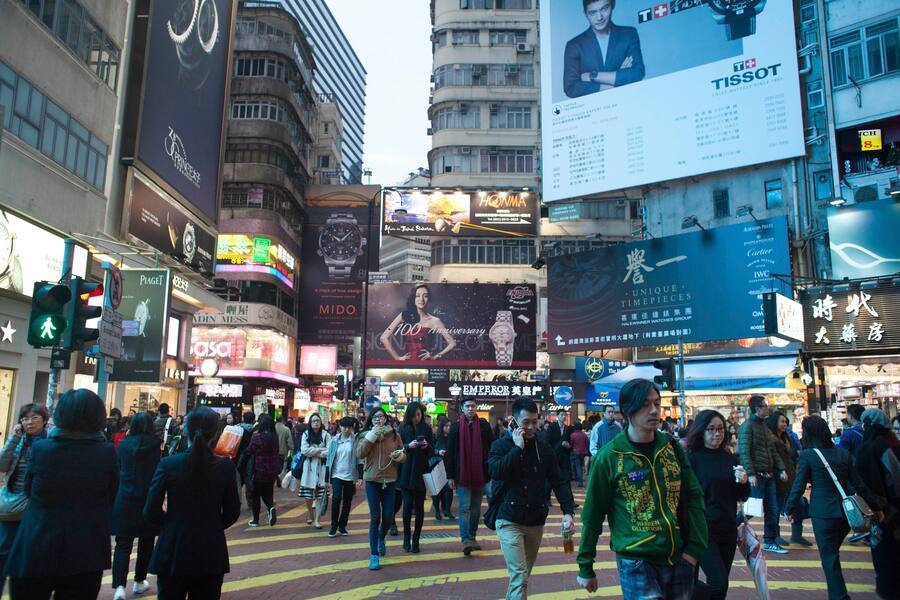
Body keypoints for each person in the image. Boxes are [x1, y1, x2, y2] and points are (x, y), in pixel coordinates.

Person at [577, 379, 707, 598]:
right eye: (645, 404)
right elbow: (593, 515)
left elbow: (694, 496)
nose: (654, 410)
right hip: (636, 561)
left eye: (656, 403)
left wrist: (694, 550)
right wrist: (585, 565)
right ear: (628, 410)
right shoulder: (609, 457)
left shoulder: (671, 447)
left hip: (679, 558)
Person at [6, 390, 117, 598]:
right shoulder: (107, 453)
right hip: (86, 549)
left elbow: (29, 490)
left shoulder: (41, 449)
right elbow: (111, 496)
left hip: (37, 543)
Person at [144, 406, 241, 599]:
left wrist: (169, 524)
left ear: (185, 430)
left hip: (173, 548)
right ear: (216, 433)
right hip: (210, 551)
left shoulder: (169, 464)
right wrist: (213, 525)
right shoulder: (225, 467)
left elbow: (150, 510)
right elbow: (232, 511)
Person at [490, 397, 576, 600]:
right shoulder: (501, 446)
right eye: (525, 422)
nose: (530, 427)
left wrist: (568, 512)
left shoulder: (544, 448)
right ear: (514, 422)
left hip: (535, 520)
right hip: (508, 518)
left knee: (522, 576)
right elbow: (496, 472)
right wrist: (516, 448)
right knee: (519, 576)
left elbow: (559, 481)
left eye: (534, 422)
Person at [785, 415, 878, 600]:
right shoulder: (842, 454)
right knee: (831, 554)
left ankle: (840, 596)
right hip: (846, 515)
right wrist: (876, 507)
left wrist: (789, 508)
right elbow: (859, 485)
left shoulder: (808, 455)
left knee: (829, 557)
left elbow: (799, 485)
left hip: (823, 514)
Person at [686, 410, 750, 600]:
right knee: (718, 582)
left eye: (720, 429)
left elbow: (742, 496)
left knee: (721, 583)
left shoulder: (731, 459)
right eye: (711, 429)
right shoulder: (692, 459)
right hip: (702, 529)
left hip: (728, 528)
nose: (717, 434)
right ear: (701, 431)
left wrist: (744, 482)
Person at [111, 412, 161, 600]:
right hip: (148, 498)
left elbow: (118, 469)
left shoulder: (124, 444)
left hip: (125, 497)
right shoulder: (155, 445)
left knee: (123, 545)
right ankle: (139, 582)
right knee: (146, 543)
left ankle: (119, 588)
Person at [0, 403, 48, 596]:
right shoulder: (19, 440)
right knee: (3, 553)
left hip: (34, 507)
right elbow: (2, 465)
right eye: (25, 418)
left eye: (34, 418)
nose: (29, 422)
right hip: (11, 504)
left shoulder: (48, 442)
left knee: (27, 557)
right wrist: (14, 437)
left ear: (44, 420)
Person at [856, 408, 900, 599]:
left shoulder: (871, 446)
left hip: (881, 511)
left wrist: (876, 507)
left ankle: (888, 590)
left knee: (884, 554)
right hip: (895, 508)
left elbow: (865, 481)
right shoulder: (893, 442)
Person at [738, 395, 789, 554]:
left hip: (769, 474)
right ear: (757, 408)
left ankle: (770, 540)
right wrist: (751, 473)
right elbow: (744, 452)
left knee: (772, 509)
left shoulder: (764, 427)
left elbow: (772, 451)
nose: (768, 408)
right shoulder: (748, 426)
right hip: (758, 475)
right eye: (765, 406)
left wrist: (781, 468)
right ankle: (730, 524)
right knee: (753, 509)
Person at [356, 407, 406, 570]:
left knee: (388, 516)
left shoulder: (394, 435)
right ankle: (374, 555)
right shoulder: (365, 435)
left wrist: (400, 456)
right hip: (372, 480)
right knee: (375, 517)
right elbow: (360, 454)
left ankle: (380, 538)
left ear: (386, 419)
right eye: (375, 417)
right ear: (371, 420)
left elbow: (402, 453)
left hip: (390, 480)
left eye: (382, 417)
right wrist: (371, 436)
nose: (379, 419)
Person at [564, 0, 644, 99]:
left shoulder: (629, 34)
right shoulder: (574, 45)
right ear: (585, 14)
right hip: (594, 109)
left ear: (613, 5)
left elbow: (638, 73)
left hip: (626, 100)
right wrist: (616, 82)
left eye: (604, 8)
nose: (599, 17)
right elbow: (571, 88)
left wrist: (592, 76)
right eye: (592, 13)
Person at [444, 396, 494, 556]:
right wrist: (450, 476)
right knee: (465, 508)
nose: (471, 409)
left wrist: (492, 471)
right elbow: (450, 453)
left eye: (473, 406)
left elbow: (492, 449)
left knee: (476, 508)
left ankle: (472, 536)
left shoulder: (484, 426)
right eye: (467, 406)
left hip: (480, 473)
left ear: (476, 407)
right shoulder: (456, 427)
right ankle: (465, 539)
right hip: (462, 474)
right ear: (462, 409)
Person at [767, 411, 812, 547]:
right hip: (778, 479)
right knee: (776, 507)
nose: (784, 424)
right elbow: (771, 460)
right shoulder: (770, 439)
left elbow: (795, 454)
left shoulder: (789, 437)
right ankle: (775, 535)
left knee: (799, 504)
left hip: (792, 477)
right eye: (782, 421)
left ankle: (797, 535)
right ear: (775, 422)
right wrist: (779, 471)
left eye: (786, 422)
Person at [378, 284, 457, 362]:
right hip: (408, 364)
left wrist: (435, 357)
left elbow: (452, 343)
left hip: (426, 363)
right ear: (413, 298)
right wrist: (397, 358)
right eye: (418, 296)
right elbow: (383, 338)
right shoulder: (404, 316)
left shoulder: (435, 321)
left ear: (428, 298)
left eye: (425, 296)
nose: (421, 299)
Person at [397, 402, 434, 553]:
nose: (418, 418)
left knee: (419, 508)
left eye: (420, 415)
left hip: (420, 471)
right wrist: (408, 446)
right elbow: (397, 450)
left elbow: (432, 449)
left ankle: (416, 539)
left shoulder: (426, 429)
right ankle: (406, 538)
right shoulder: (402, 429)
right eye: (415, 415)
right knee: (406, 507)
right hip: (406, 472)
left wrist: (427, 446)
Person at [240, 414, 280, 527]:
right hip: (272, 470)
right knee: (268, 492)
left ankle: (256, 520)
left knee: (256, 494)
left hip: (259, 470)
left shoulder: (257, 437)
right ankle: (270, 508)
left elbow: (249, 451)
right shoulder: (274, 437)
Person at [325, 416, 360, 537]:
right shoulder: (334, 441)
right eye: (344, 427)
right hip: (336, 474)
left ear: (352, 428)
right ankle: (334, 525)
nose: (346, 429)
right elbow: (329, 458)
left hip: (350, 475)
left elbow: (359, 459)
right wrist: (326, 477)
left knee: (347, 501)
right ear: (340, 427)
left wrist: (359, 476)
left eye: (349, 427)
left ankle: (342, 526)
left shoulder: (355, 440)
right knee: (336, 498)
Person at [299, 413, 331, 528]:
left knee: (320, 495)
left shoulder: (326, 435)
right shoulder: (306, 434)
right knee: (308, 495)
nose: (316, 423)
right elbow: (304, 450)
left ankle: (317, 520)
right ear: (310, 423)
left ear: (321, 422)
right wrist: (320, 450)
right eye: (313, 421)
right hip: (309, 468)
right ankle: (310, 514)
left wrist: (315, 451)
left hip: (322, 468)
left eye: (317, 420)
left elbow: (329, 451)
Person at [432, 417, 454, 520]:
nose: (448, 428)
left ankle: (447, 510)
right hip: (436, 464)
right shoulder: (435, 437)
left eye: (450, 426)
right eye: (446, 426)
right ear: (442, 427)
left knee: (449, 489)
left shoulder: (452, 437)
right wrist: (438, 452)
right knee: (437, 490)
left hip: (448, 465)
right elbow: (429, 449)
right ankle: (437, 510)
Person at [545, 409, 573, 486]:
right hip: (554, 456)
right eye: (561, 415)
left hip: (565, 457)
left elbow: (571, 443)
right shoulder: (552, 427)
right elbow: (547, 441)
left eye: (565, 415)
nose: (564, 416)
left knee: (565, 479)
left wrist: (569, 445)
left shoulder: (569, 428)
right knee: (551, 479)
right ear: (557, 416)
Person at [569, 422, 590, 488]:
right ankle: (579, 479)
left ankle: (579, 481)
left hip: (575, 452)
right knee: (581, 466)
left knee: (577, 466)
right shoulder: (584, 435)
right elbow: (587, 443)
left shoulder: (572, 435)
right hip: (583, 452)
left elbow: (571, 445)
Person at [275, 414, 295, 482]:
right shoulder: (286, 429)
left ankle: (275, 476)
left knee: (274, 465)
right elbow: (289, 441)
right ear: (282, 420)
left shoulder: (272, 428)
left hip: (273, 451)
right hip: (283, 451)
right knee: (283, 466)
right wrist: (292, 449)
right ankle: (280, 477)